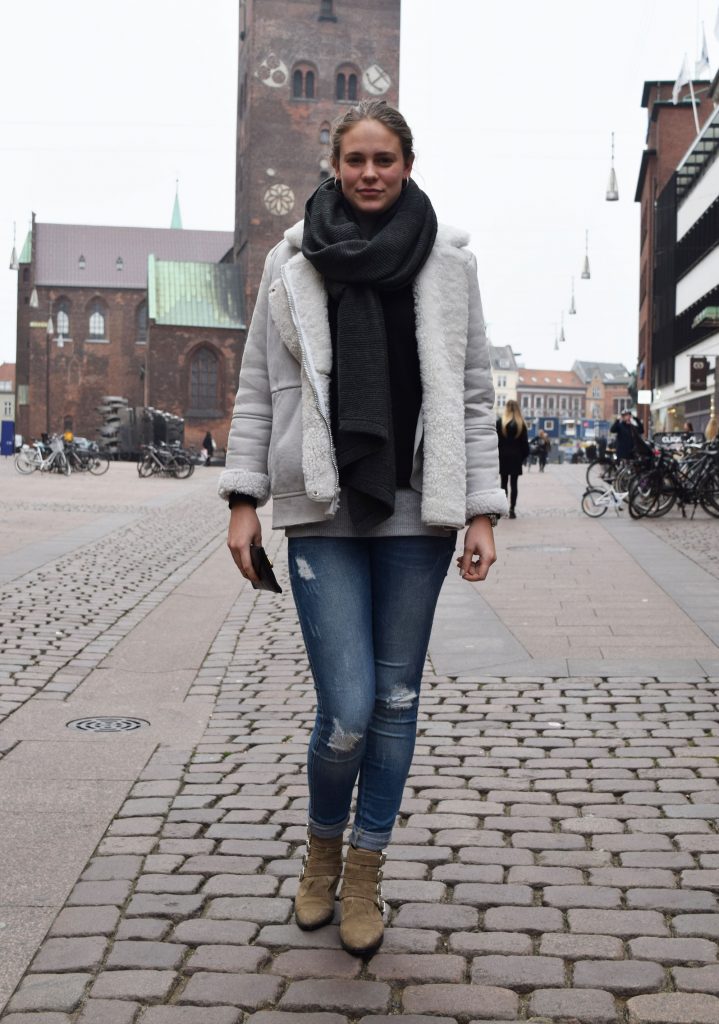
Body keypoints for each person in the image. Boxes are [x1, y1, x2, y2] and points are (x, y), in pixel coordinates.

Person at [219, 100, 507, 957]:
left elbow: (473, 393)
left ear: (406, 164)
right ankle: (319, 855)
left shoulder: (449, 262)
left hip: (418, 511)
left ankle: (366, 872)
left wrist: (483, 511)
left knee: (394, 703)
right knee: (344, 707)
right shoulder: (290, 259)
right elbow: (255, 387)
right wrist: (242, 500)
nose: (370, 173)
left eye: (385, 159)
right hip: (320, 506)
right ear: (334, 165)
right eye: (356, 160)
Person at [496, 399, 529, 518]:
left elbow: (496, 442)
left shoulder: (500, 423)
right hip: (516, 457)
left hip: (503, 457)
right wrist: (522, 457)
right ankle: (512, 510)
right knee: (514, 484)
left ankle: (503, 509)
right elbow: (525, 445)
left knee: (503, 484)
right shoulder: (521, 424)